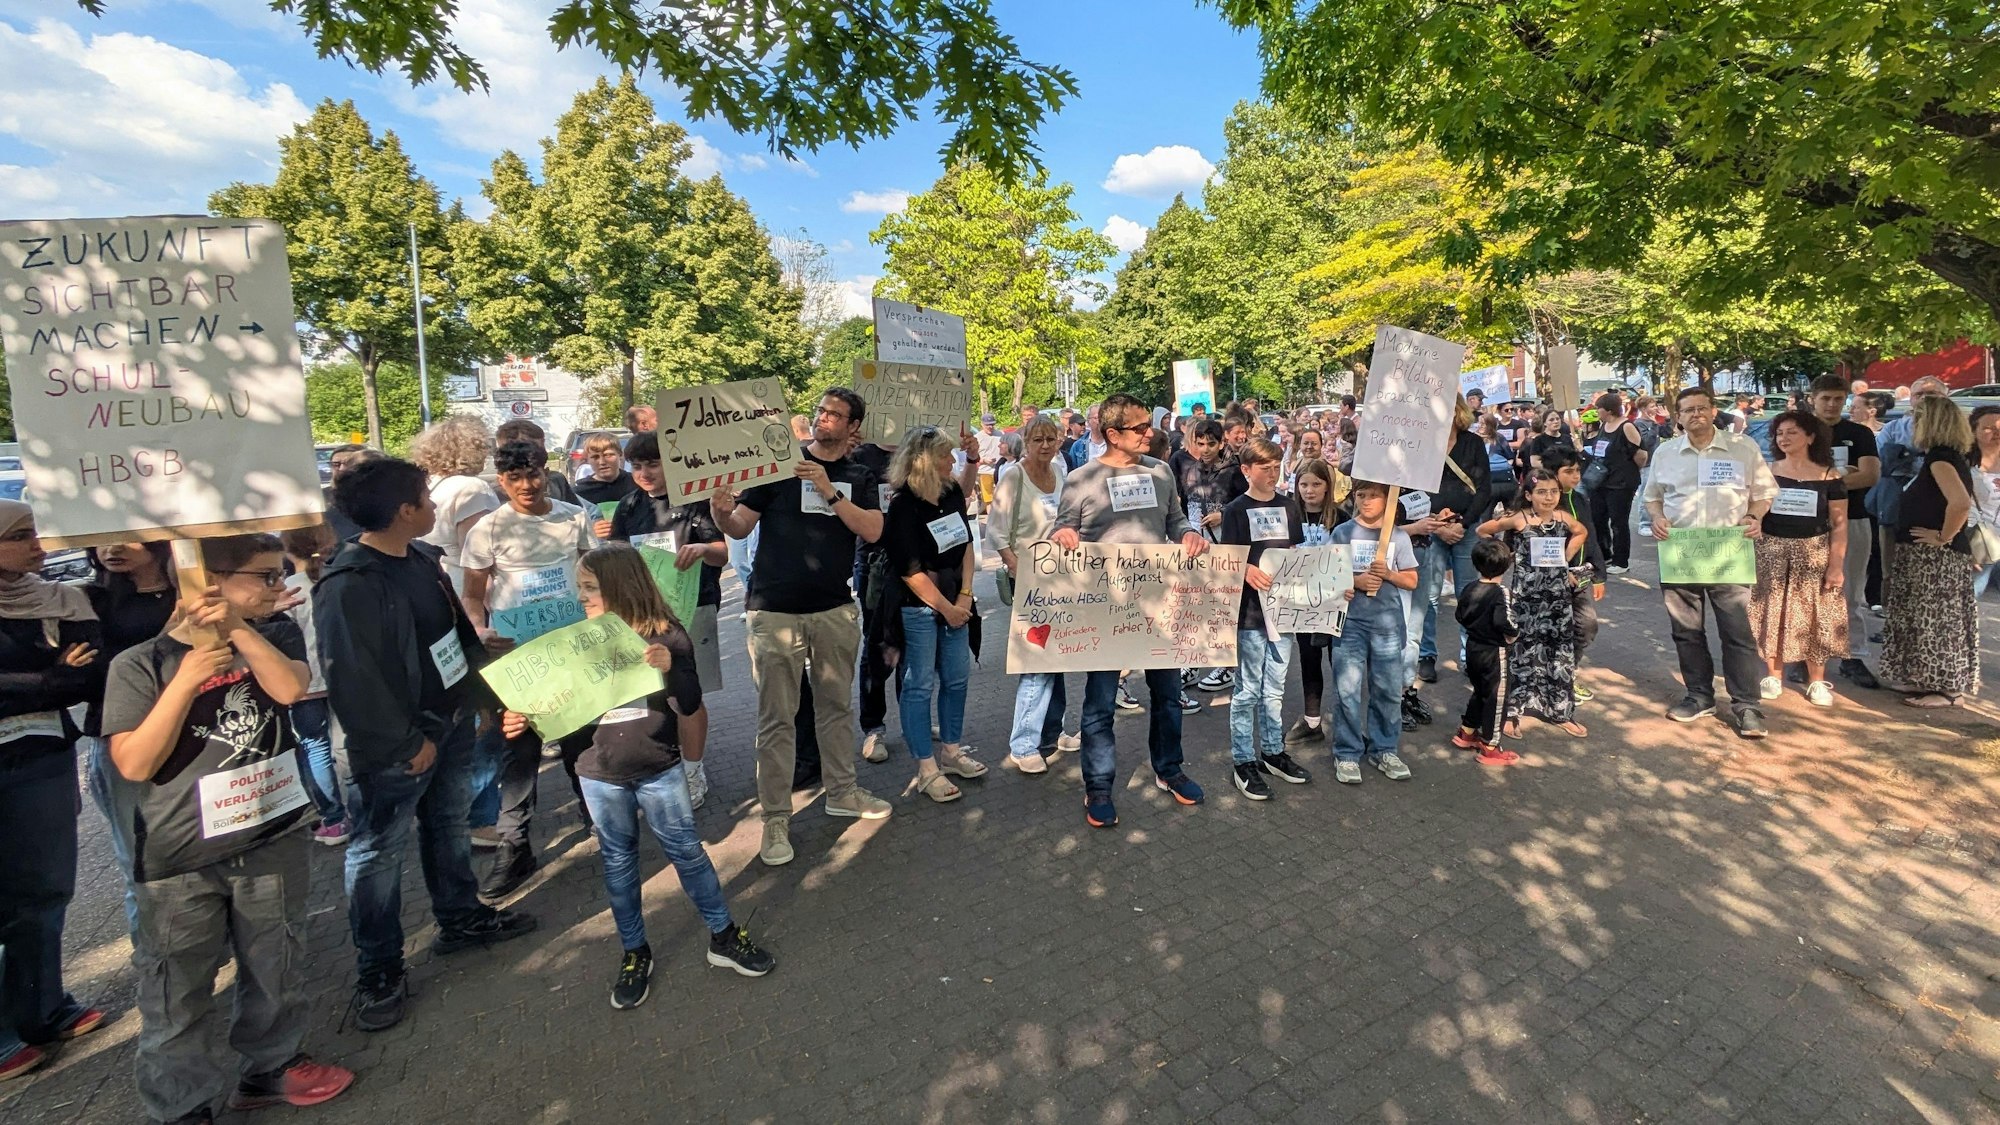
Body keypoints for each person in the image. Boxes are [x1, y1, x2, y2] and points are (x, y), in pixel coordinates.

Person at [102, 534, 354, 1124]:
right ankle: (182, 1103)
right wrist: (187, 678)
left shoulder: (274, 633)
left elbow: (292, 688)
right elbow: (135, 762)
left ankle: (271, 1064)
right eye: (265, 576)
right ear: (205, 581)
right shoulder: (141, 664)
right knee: (176, 987)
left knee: (276, 962)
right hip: (181, 857)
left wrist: (239, 628)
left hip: (270, 832)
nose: (278, 586)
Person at [316, 457, 537, 1033]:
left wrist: (482, 692)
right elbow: (352, 678)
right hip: (397, 747)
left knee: (447, 825)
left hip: (450, 723)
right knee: (376, 853)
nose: (436, 507)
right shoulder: (349, 583)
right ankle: (379, 969)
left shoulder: (420, 559)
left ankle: (460, 919)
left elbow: (450, 638)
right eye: (425, 498)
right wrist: (401, 742)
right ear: (403, 511)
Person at [499, 545, 771, 1010]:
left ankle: (723, 935)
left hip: (659, 767)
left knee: (688, 851)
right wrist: (520, 721)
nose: (581, 596)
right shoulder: (571, 644)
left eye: (590, 588)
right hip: (597, 773)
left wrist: (670, 670)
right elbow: (547, 712)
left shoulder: (667, 636)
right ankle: (634, 951)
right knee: (619, 862)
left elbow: (689, 703)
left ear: (622, 587)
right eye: (579, 587)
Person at [711, 388, 892, 867]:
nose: (823, 419)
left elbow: (872, 530)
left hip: (834, 609)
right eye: (820, 411)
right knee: (777, 719)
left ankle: (843, 791)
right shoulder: (775, 467)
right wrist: (719, 509)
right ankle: (775, 818)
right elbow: (739, 528)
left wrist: (827, 489)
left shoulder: (858, 475)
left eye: (835, 415)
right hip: (774, 612)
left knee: (834, 709)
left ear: (854, 427)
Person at [1049, 393, 1209, 827]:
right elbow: (1064, 526)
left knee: (1168, 694)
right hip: (1106, 609)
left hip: (1159, 605)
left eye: (1148, 426)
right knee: (1100, 701)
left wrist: (1190, 534)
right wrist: (1064, 534)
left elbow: (1175, 520)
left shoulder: (1160, 471)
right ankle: (1098, 785)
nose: (1150, 433)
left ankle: (1168, 768)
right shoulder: (1082, 478)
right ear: (1111, 434)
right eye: (1139, 428)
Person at [459, 440, 598, 900]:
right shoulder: (487, 529)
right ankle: (515, 850)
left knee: (582, 740)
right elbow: (473, 596)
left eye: (533, 474)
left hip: (569, 651)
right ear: (500, 481)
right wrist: (479, 633)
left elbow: (592, 572)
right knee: (519, 754)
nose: (525, 485)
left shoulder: (571, 516)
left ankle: (600, 819)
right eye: (514, 478)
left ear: (546, 471)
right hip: (516, 659)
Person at [0, 501, 103, 1082]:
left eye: (38, 534)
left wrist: (39, 685)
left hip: (41, 757)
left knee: (43, 891)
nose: (38, 547)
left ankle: (43, 1010)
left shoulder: (58, 598)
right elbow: (56, 677)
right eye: (19, 537)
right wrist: (45, 678)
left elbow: (85, 673)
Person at [1642, 387, 1779, 737]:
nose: (1695, 415)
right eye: (1687, 410)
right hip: (1681, 553)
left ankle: (1747, 706)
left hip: (1727, 551)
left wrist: (1754, 515)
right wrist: (1657, 518)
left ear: (1714, 410)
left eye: (1702, 408)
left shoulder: (1742, 447)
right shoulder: (1666, 453)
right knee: (1686, 632)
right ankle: (1699, 696)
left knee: (1737, 632)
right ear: (1678, 416)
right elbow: (1653, 498)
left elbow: (1764, 493)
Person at [605, 431, 727, 807]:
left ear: (670, 464)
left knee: (689, 695)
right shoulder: (628, 506)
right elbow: (614, 558)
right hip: (643, 618)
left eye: (653, 464)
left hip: (695, 609)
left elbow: (723, 553)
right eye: (637, 466)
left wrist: (704, 547)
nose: (644, 473)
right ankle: (665, 764)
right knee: (655, 695)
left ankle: (693, 772)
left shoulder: (695, 502)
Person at [876, 427, 986, 802]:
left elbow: (966, 545)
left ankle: (951, 752)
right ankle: (926, 768)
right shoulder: (902, 505)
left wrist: (966, 597)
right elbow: (909, 571)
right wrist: (947, 608)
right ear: (924, 461)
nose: (951, 461)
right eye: (944, 456)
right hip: (919, 609)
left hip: (958, 602)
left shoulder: (952, 491)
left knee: (956, 680)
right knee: (919, 685)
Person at [79, 540, 177, 933]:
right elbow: (90, 673)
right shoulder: (88, 601)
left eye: (128, 535)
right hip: (123, 740)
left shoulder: (191, 590)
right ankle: (154, 961)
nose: (112, 547)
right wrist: (170, 634)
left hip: (196, 735)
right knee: (141, 860)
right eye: (100, 537)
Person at [1217, 440, 1313, 801]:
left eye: (1276, 466)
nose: (1272, 473)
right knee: (1246, 690)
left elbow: (1297, 554)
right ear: (1246, 471)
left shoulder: (1289, 506)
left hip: (1284, 611)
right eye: (1264, 467)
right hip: (1250, 615)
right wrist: (1247, 570)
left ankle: (1273, 751)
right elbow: (1227, 562)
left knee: (1275, 688)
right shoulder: (1235, 510)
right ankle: (1243, 760)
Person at [989, 415, 1079, 774]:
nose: (1044, 445)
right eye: (1037, 439)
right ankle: (1023, 743)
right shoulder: (1014, 477)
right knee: (1036, 661)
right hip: (1030, 580)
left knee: (1056, 659)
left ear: (1059, 441)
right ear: (1025, 440)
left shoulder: (1063, 474)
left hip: (1063, 579)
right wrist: (1017, 569)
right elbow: (997, 533)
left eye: (1050, 439)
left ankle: (1052, 732)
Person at [1880, 396, 1980, 707]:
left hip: (1934, 557)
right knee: (1924, 618)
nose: (1912, 426)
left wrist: (1943, 537)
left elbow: (1960, 503)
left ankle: (1947, 690)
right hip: (1922, 554)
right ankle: (1925, 679)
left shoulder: (1941, 458)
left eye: (1917, 419)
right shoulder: (1943, 456)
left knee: (1938, 619)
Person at [1478, 471, 1590, 738]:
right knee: (1521, 652)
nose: (1548, 497)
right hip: (1525, 599)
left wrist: (1565, 558)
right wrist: (1505, 557)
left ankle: (1560, 711)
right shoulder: (1519, 518)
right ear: (1528, 495)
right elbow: (1483, 530)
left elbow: (1581, 532)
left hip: (1557, 599)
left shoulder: (1563, 517)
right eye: (1541, 492)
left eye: (1553, 491)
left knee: (1559, 653)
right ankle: (1512, 712)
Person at [1749, 411, 1849, 707]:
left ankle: (1817, 681)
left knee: (1817, 614)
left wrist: (1836, 565)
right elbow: (1754, 508)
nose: (1784, 438)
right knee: (1771, 610)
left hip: (1814, 551)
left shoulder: (1830, 475)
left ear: (1810, 436)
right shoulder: (1767, 471)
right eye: (1780, 433)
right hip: (1772, 550)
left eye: (1792, 432)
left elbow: (1840, 523)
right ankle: (1772, 675)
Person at [1326, 480, 1421, 784]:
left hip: (1388, 626)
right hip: (1349, 625)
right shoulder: (1342, 533)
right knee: (1348, 691)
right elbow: (1327, 575)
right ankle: (1347, 752)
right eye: (1361, 495)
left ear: (1387, 499)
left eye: (1374, 495)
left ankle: (1384, 748)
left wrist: (1389, 574)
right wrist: (1355, 582)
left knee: (1387, 690)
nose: (1366, 501)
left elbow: (1412, 580)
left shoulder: (1398, 536)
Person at [1410, 396, 1492, 688]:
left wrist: (1463, 522)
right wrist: (1434, 522)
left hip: (1465, 529)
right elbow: (1411, 488)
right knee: (1428, 596)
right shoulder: (1420, 444)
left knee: (1468, 593)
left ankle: (1469, 655)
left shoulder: (1473, 444)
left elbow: (1484, 489)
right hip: (1430, 528)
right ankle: (1426, 655)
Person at [1807, 373, 1882, 689]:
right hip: (1806, 522)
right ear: (1813, 398)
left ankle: (1852, 655)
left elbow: (1869, 475)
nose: (1832, 404)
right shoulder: (1799, 429)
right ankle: (1804, 654)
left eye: (1839, 398)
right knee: (1805, 590)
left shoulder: (1859, 433)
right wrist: (1841, 477)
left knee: (1849, 591)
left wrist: (1824, 482)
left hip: (1853, 519)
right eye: (1826, 398)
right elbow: (1788, 475)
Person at [280, 523, 349, 845]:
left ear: (288, 550)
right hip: (342, 674)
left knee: (315, 749)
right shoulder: (339, 579)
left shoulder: (287, 590)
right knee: (347, 746)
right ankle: (361, 812)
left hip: (304, 682)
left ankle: (334, 819)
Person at [1169, 418, 1246, 696]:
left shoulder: (1234, 471)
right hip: (1193, 543)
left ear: (1221, 442)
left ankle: (1227, 664)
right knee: (1192, 604)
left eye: (1210, 444)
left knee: (1223, 605)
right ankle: (1192, 660)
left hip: (1224, 545)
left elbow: (1248, 504)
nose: (1204, 449)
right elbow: (1178, 501)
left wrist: (1224, 514)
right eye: (1199, 443)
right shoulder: (1187, 467)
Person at [1283, 459, 1347, 749]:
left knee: (1341, 663)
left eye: (1316, 484)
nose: (1309, 490)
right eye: (1303, 484)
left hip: (1334, 602)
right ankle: (1311, 723)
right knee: (1309, 661)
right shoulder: (1288, 515)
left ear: (1327, 486)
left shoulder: (1342, 518)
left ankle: (1348, 725)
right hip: (1300, 602)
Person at [1537, 447, 1607, 702]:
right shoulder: (1542, 504)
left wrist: (1599, 575)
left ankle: (1568, 674)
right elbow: (1540, 543)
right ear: (1553, 474)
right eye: (1569, 471)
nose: (1576, 476)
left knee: (1587, 626)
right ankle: (1550, 681)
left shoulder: (1580, 499)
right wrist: (1559, 571)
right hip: (1551, 580)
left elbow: (1592, 537)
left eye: (1578, 470)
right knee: (1551, 631)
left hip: (1582, 578)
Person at [1452, 537, 1522, 766]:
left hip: (1472, 647)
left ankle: (1467, 731)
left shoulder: (1470, 587)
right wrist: (1515, 633)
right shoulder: (1501, 592)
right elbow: (1504, 621)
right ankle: (1491, 746)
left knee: (1480, 691)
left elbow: (1460, 615)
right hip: (1494, 652)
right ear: (1506, 565)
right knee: (1496, 697)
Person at [410, 414, 498, 594]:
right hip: (468, 590)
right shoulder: (472, 488)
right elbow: (478, 554)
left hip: (433, 585)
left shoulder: (426, 484)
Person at [1585, 392, 1649, 574]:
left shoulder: (1627, 426)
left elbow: (1641, 454)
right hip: (1601, 481)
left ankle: (1621, 561)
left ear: (1609, 410)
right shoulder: (1605, 426)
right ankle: (1605, 554)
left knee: (1619, 522)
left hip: (1621, 483)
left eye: (1599, 409)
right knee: (1598, 518)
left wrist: (1629, 470)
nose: (1597, 413)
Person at [493, 419, 582, 506]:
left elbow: (579, 510)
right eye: (534, 447)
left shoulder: (556, 480)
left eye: (543, 445)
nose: (526, 486)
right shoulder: (493, 495)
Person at [322, 445, 378, 542]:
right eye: (336, 464)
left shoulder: (379, 497)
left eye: (349, 464)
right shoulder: (318, 498)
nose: (341, 469)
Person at [1972, 406, 2000, 597]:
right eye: (1988, 428)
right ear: (1974, 431)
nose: (1996, 432)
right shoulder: (1962, 463)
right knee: (1971, 592)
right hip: (1979, 539)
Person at [574, 432, 636, 515]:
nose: (602, 462)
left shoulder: (637, 484)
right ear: (587, 460)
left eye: (608, 455)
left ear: (620, 455)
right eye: (595, 457)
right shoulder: (580, 494)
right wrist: (591, 525)